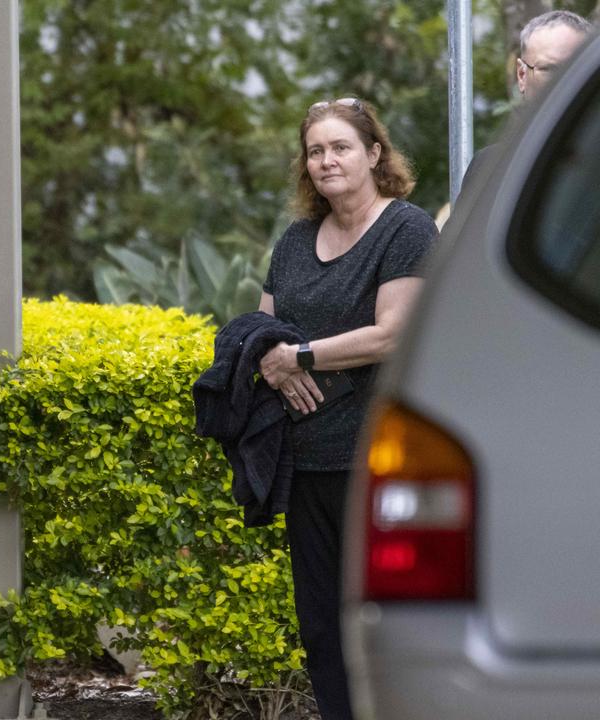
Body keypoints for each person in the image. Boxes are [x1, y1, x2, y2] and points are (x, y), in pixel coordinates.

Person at [257, 98, 436, 720]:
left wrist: (298, 357)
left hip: (379, 462)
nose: (327, 160)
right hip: (305, 462)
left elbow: (393, 334)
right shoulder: (296, 240)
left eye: (340, 147)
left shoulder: (406, 229)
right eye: (315, 151)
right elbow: (262, 331)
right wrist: (273, 362)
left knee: (386, 630)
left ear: (374, 154)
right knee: (322, 631)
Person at [465, 11, 592, 183]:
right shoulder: (487, 168)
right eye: (548, 69)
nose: (562, 81)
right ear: (522, 75)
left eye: (572, 68)